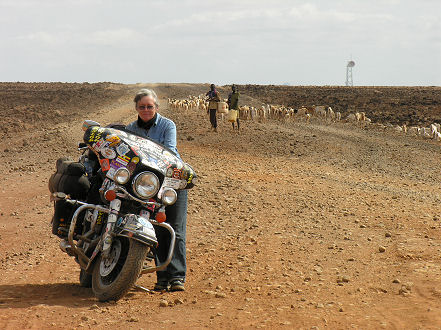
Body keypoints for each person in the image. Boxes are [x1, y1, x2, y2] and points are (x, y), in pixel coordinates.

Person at [126, 88, 188, 292]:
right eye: (142, 106)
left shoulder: (167, 125)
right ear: (136, 108)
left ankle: (177, 277)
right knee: (155, 229)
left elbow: (168, 150)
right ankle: (162, 278)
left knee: (175, 230)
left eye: (149, 106)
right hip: (148, 184)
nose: (146, 109)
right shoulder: (130, 129)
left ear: (156, 107)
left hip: (172, 181)